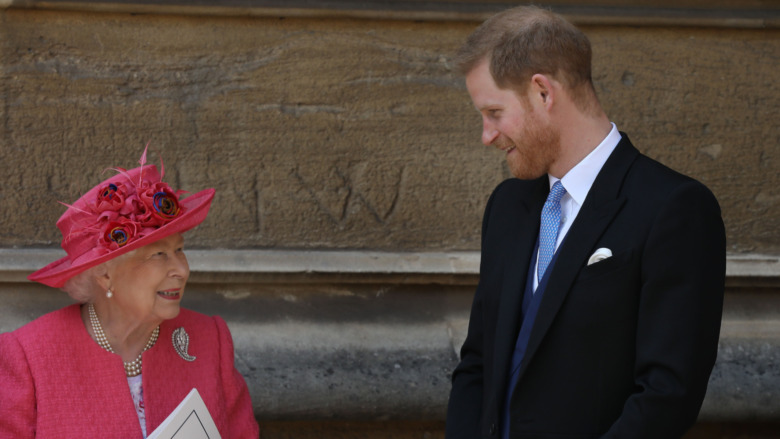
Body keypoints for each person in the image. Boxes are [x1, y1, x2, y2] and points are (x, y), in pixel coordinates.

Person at [445, 6, 725, 439]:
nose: (487, 135)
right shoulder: (507, 205)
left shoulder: (674, 208)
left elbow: (667, 394)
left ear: (542, 92)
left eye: (494, 113)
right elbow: (478, 363)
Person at [0, 148, 260, 438]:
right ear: (105, 273)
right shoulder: (28, 357)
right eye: (158, 254)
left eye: (179, 250)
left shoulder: (210, 340)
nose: (181, 270)